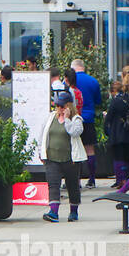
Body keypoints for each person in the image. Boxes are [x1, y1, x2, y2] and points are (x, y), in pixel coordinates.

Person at [40, 91, 85, 222]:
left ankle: (73, 211)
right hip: (52, 157)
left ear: (68, 106)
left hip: (70, 159)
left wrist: (66, 119)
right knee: (53, 184)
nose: (59, 109)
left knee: (72, 185)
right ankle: (53, 212)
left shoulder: (76, 119)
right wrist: (41, 151)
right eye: (58, 106)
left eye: (62, 106)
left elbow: (74, 132)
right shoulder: (50, 117)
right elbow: (43, 134)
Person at [71, 59, 103, 188]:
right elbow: (98, 101)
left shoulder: (69, 81)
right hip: (88, 118)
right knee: (90, 149)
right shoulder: (93, 81)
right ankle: (92, 178)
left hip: (74, 118)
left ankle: (76, 180)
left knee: (74, 150)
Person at [103, 76, 129, 188]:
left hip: (117, 133)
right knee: (128, 157)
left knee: (118, 158)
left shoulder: (115, 101)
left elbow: (109, 118)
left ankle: (121, 180)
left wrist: (107, 130)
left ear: (113, 91)